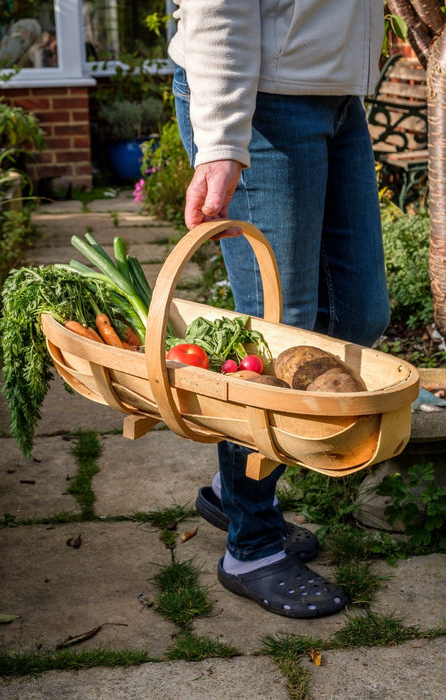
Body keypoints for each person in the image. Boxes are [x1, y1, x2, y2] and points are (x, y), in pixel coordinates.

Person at [168, 0, 391, 619]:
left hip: (337, 96)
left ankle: (228, 490)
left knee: (358, 319)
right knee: (274, 337)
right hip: (259, 100)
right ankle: (253, 546)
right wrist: (219, 141)